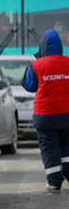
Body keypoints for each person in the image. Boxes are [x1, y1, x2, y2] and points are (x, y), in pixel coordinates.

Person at [22, 29, 69, 192]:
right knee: (67, 148)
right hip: (67, 114)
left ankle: (54, 183)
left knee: (50, 149)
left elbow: (29, 86)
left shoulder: (36, 65)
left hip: (45, 115)